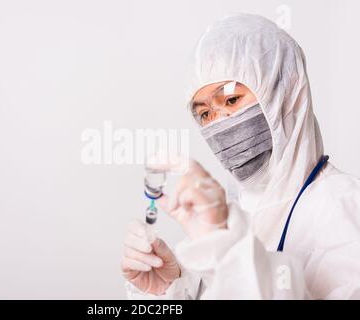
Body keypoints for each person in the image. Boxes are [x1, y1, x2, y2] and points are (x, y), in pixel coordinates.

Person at [120, 13, 360, 299]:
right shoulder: (232, 208)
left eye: (231, 100)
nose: (219, 125)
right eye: (205, 114)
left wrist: (228, 250)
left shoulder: (343, 209)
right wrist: (176, 288)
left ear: (285, 91)